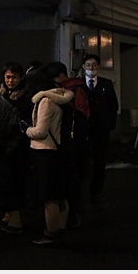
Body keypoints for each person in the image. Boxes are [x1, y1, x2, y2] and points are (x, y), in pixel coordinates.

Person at [21, 66, 73, 245]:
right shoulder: (60, 97)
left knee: (49, 195)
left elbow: (41, 131)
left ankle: (51, 232)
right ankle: (61, 228)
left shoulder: (44, 101)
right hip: (58, 150)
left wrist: (26, 129)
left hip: (45, 152)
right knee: (60, 193)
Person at [0, 62, 32, 235]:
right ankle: (9, 214)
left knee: (14, 182)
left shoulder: (27, 99)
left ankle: (15, 218)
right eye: (8, 77)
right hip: (1, 147)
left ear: (21, 78)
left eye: (14, 77)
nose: (10, 81)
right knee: (4, 182)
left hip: (19, 148)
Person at [43, 61, 90, 228]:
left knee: (73, 179)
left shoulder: (75, 89)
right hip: (66, 142)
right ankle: (70, 215)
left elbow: (82, 114)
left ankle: (73, 215)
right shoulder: (67, 89)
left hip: (73, 142)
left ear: (62, 75)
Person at [82, 53, 119, 202]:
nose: (91, 68)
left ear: (98, 66)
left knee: (100, 159)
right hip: (84, 128)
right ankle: (80, 187)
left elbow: (113, 104)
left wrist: (110, 123)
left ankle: (96, 189)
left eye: (94, 65)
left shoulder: (106, 84)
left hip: (101, 128)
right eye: (88, 65)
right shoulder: (79, 84)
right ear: (83, 67)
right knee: (82, 158)